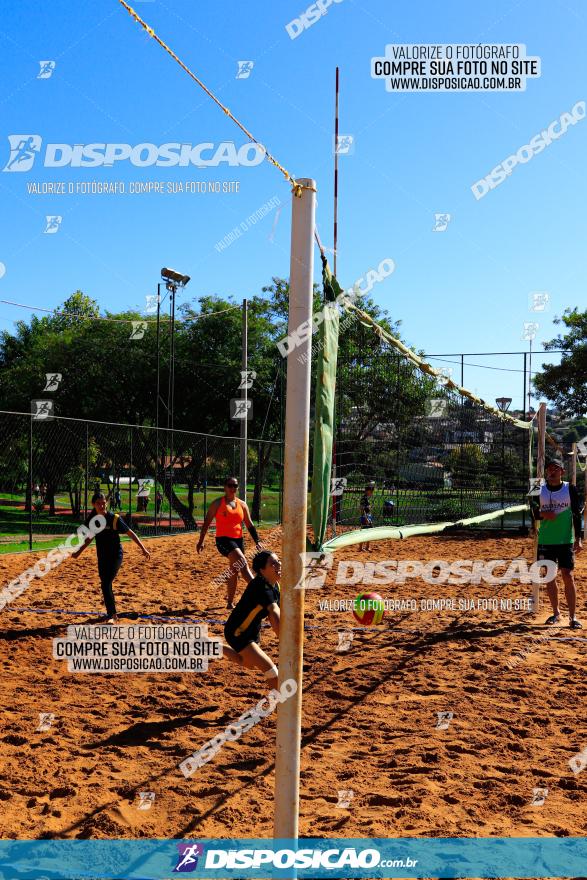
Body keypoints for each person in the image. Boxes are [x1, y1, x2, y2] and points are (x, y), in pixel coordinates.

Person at [71, 492, 151, 623]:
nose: (102, 505)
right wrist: (78, 552)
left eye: (103, 503)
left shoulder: (114, 518)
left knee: (106, 582)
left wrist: (143, 548)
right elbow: (89, 538)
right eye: (98, 503)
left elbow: (130, 533)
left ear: (106, 503)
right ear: (93, 505)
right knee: (104, 584)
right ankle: (111, 613)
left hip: (115, 555)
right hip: (102, 556)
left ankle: (112, 615)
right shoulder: (94, 521)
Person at [533, 457, 583, 629]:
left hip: (565, 540)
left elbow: (576, 514)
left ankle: (573, 616)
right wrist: (543, 514)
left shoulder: (571, 488)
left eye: (556, 469)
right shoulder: (538, 486)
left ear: (562, 471)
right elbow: (532, 510)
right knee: (550, 576)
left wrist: (579, 538)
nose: (552, 472)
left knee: (568, 575)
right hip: (546, 539)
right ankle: (556, 613)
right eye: (549, 469)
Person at [197, 476, 260, 607]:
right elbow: (207, 523)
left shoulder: (242, 504)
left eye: (235, 486)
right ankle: (262, 593)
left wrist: (257, 541)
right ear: (225, 487)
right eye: (230, 485)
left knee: (234, 570)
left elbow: (249, 524)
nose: (233, 488)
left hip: (238, 540)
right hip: (223, 540)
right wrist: (201, 541)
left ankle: (230, 602)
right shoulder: (217, 503)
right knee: (243, 563)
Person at [222, 550, 281, 689]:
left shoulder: (273, 584)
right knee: (273, 673)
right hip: (238, 632)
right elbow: (274, 613)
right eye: (273, 563)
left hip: (251, 629)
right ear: (262, 570)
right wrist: (286, 642)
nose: (279, 565)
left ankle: (213, 646)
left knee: (249, 664)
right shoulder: (263, 590)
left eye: (279, 561)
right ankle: (278, 706)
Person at [359, 481, 376, 552]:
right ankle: (360, 547)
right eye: (371, 491)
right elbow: (362, 509)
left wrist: (370, 509)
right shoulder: (363, 498)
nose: (372, 493)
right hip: (365, 516)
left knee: (370, 531)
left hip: (368, 516)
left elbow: (367, 507)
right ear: (367, 491)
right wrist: (366, 518)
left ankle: (367, 547)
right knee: (364, 532)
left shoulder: (367, 498)